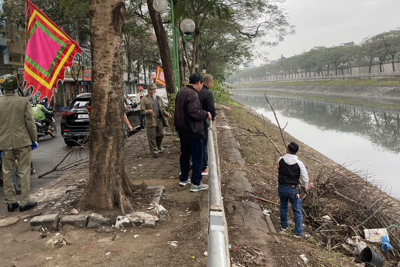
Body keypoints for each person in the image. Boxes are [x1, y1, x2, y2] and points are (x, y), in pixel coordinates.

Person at [0, 74, 38, 212]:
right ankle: (24, 202)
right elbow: (30, 123)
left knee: (7, 173)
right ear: (16, 87)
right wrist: (34, 139)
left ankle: (10, 202)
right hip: (22, 142)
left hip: (4, 144)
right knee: (24, 171)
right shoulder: (23, 102)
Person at [175, 73, 211, 192]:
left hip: (183, 130)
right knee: (197, 156)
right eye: (202, 84)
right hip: (193, 130)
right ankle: (196, 183)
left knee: (185, 155)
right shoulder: (193, 94)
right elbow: (194, 112)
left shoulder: (181, 92)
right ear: (199, 82)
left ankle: (184, 178)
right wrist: (206, 114)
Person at [277, 142, 310, 238]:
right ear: (296, 151)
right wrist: (304, 187)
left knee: (283, 206)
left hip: (282, 187)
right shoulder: (299, 164)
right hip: (293, 189)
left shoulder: (280, 159)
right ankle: (298, 232)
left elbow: (279, 170)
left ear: (287, 149)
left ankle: (284, 227)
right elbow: (305, 178)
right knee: (297, 210)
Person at [141, 83, 171, 158]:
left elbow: (162, 109)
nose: (155, 91)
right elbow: (142, 110)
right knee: (151, 136)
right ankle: (154, 151)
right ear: (149, 90)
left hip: (159, 119)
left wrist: (167, 114)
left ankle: (158, 146)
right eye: (153, 89)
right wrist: (148, 111)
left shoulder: (158, 98)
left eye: (155, 89)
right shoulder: (144, 99)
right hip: (150, 120)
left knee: (161, 133)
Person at [198, 74, 217, 176]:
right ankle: (203, 167)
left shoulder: (197, 92)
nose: (212, 84)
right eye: (211, 82)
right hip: (202, 121)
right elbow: (211, 107)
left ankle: (198, 164)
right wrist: (213, 116)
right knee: (203, 143)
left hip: (194, 122)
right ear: (207, 82)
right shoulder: (207, 93)